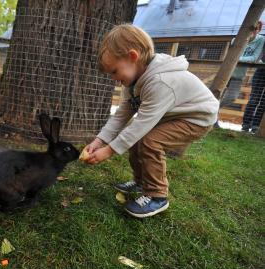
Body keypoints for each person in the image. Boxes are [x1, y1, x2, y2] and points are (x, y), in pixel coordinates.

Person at [84, 24, 219, 218]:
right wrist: (99, 141)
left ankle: (157, 195)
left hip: (196, 118)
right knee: (136, 138)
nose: (114, 79)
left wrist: (109, 151)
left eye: (114, 71)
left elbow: (141, 124)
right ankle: (141, 182)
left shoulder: (160, 82)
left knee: (149, 141)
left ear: (132, 57)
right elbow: (122, 115)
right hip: (174, 114)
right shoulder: (133, 81)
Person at [219, 21, 265, 121]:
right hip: (226, 72)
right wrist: (237, 58)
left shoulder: (260, 40)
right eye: (251, 29)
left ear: (258, 30)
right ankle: (213, 118)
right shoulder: (236, 39)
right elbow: (230, 56)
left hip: (239, 75)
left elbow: (254, 57)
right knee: (217, 94)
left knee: (232, 97)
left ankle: (215, 109)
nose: (253, 31)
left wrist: (237, 58)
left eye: (255, 29)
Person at [242, 39, 265, 134]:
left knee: (264, 102)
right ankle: (246, 124)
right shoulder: (262, 39)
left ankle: (256, 125)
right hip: (261, 68)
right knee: (254, 99)